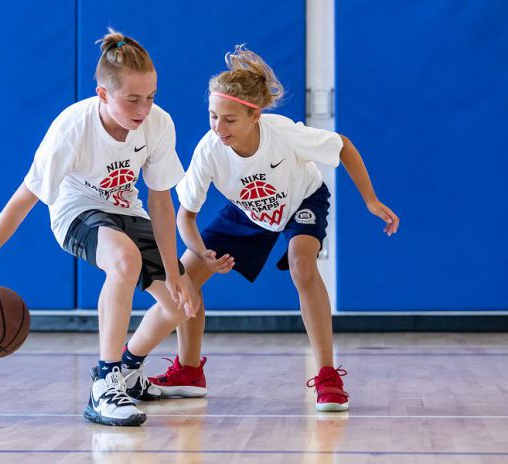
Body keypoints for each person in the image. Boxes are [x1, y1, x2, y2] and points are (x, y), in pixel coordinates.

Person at [0, 29, 198, 426]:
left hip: (126, 210)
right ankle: (105, 383)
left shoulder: (157, 124)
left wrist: (173, 271)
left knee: (182, 304)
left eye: (151, 97)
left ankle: (130, 371)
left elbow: (159, 201)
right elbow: (21, 203)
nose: (144, 109)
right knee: (124, 260)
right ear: (103, 94)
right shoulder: (71, 129)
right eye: (132, 99)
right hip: (76, 212)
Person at [148, 45, 399, 412]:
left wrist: (370, 199)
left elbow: (342, 145)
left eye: (229, 120)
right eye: (213, 117)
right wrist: (202, 253)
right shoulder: (209, 150)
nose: (219, 128)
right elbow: (184, 217)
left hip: (301, 201)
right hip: (247, 210)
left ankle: (327, 375)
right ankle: (189, 372)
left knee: (302, 264)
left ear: (255, 116)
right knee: (185, 276)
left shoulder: (283, 134)